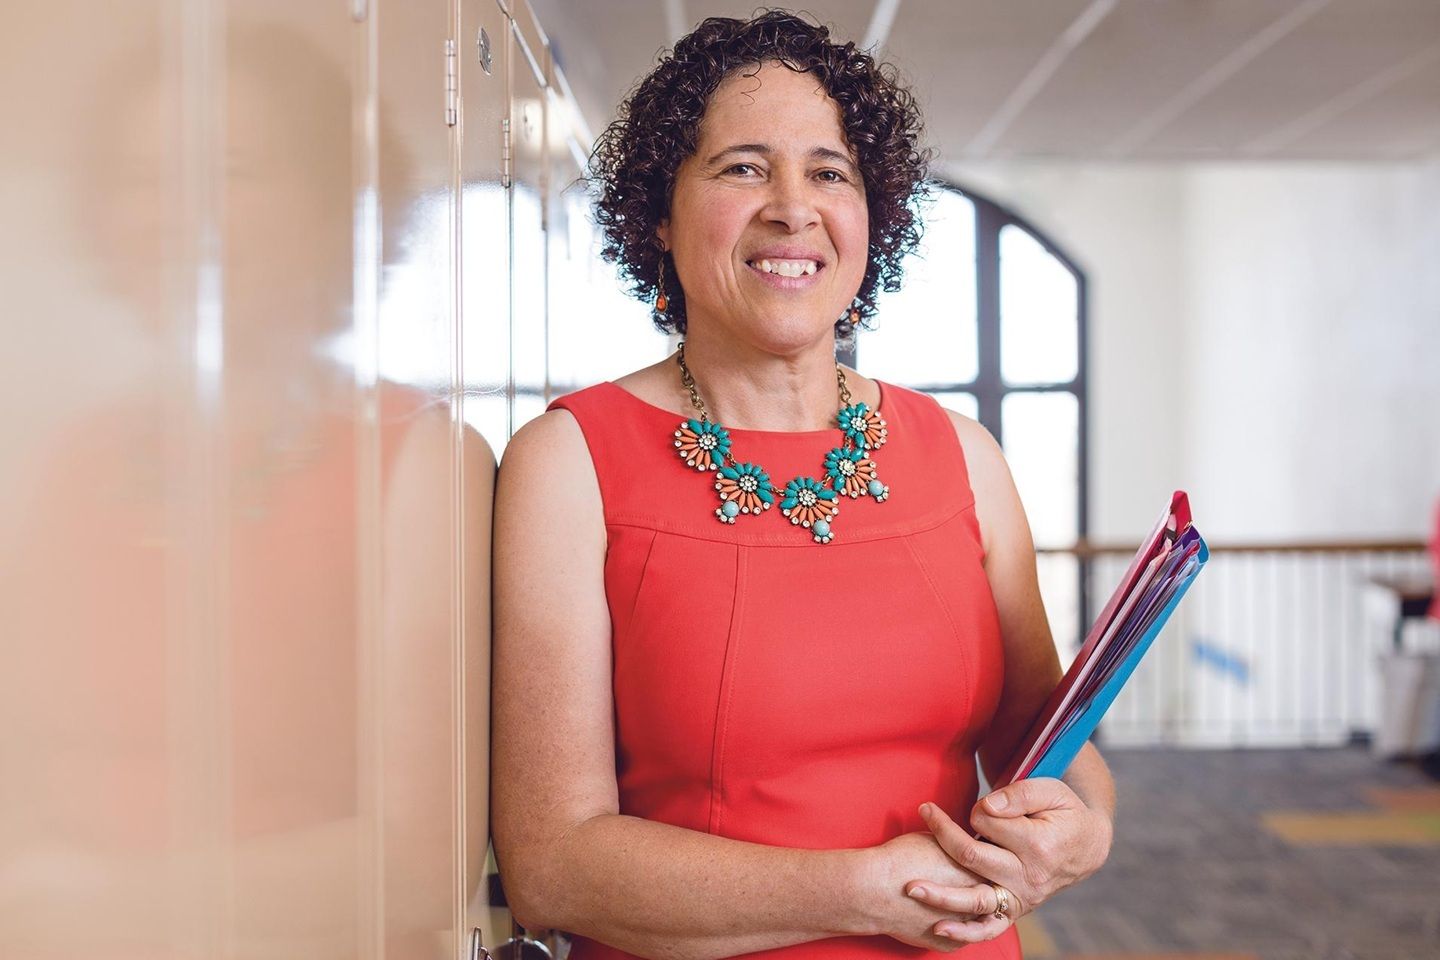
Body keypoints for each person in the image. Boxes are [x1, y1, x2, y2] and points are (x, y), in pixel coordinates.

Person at [492, 12, 1114, 958]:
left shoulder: (964, 454)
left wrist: (1086, 829)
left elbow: (1048, 735)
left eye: (830, 172)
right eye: (743, 167)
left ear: (874, 214)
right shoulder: (570, 461)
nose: (794, 205)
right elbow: (553, 862)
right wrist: (861, 891)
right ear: (659, 212)